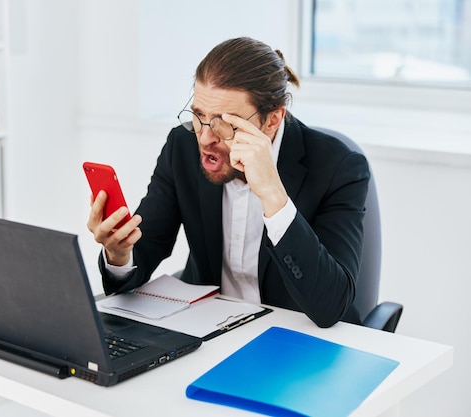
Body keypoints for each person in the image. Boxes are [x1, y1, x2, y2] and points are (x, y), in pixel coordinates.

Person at [87, 37, 369, 328]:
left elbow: (331, 306)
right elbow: (148, 244)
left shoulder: (338, 167)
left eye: (225, 122)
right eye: (198, 116)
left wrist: (274, 196)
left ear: (272, 120)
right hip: (211, 328)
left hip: (298, 336)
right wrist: (119, 256)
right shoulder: (182, 146)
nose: (206, 138)